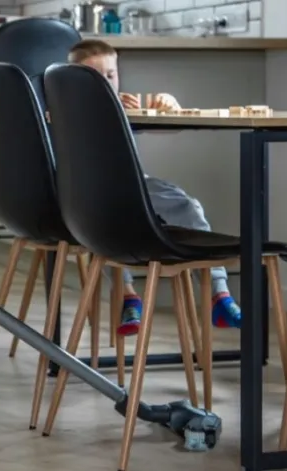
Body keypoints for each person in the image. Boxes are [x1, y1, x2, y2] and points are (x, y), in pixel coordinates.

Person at [66, 39, 242, 337]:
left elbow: (162, 125)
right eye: (93, 76)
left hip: (131, 185)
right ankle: (126, 294)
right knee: (106, 218)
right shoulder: (65, 107)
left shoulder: (123, 104)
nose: (105, 82)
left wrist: (168, 105)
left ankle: (219, 294)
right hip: (85, 194)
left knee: (187, 206)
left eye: (110, 75)